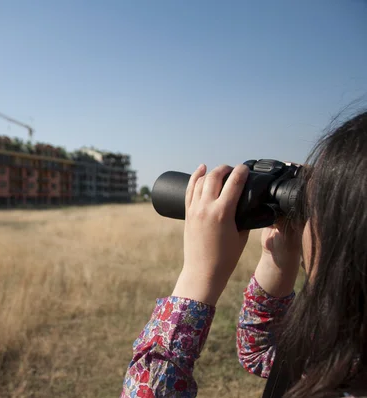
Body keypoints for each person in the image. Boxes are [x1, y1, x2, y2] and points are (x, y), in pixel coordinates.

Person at [120, 110, 367, 398]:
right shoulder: (349, 352)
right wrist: (280, 257)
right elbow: (260, 351)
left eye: (317, 209)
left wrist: (197, 279)